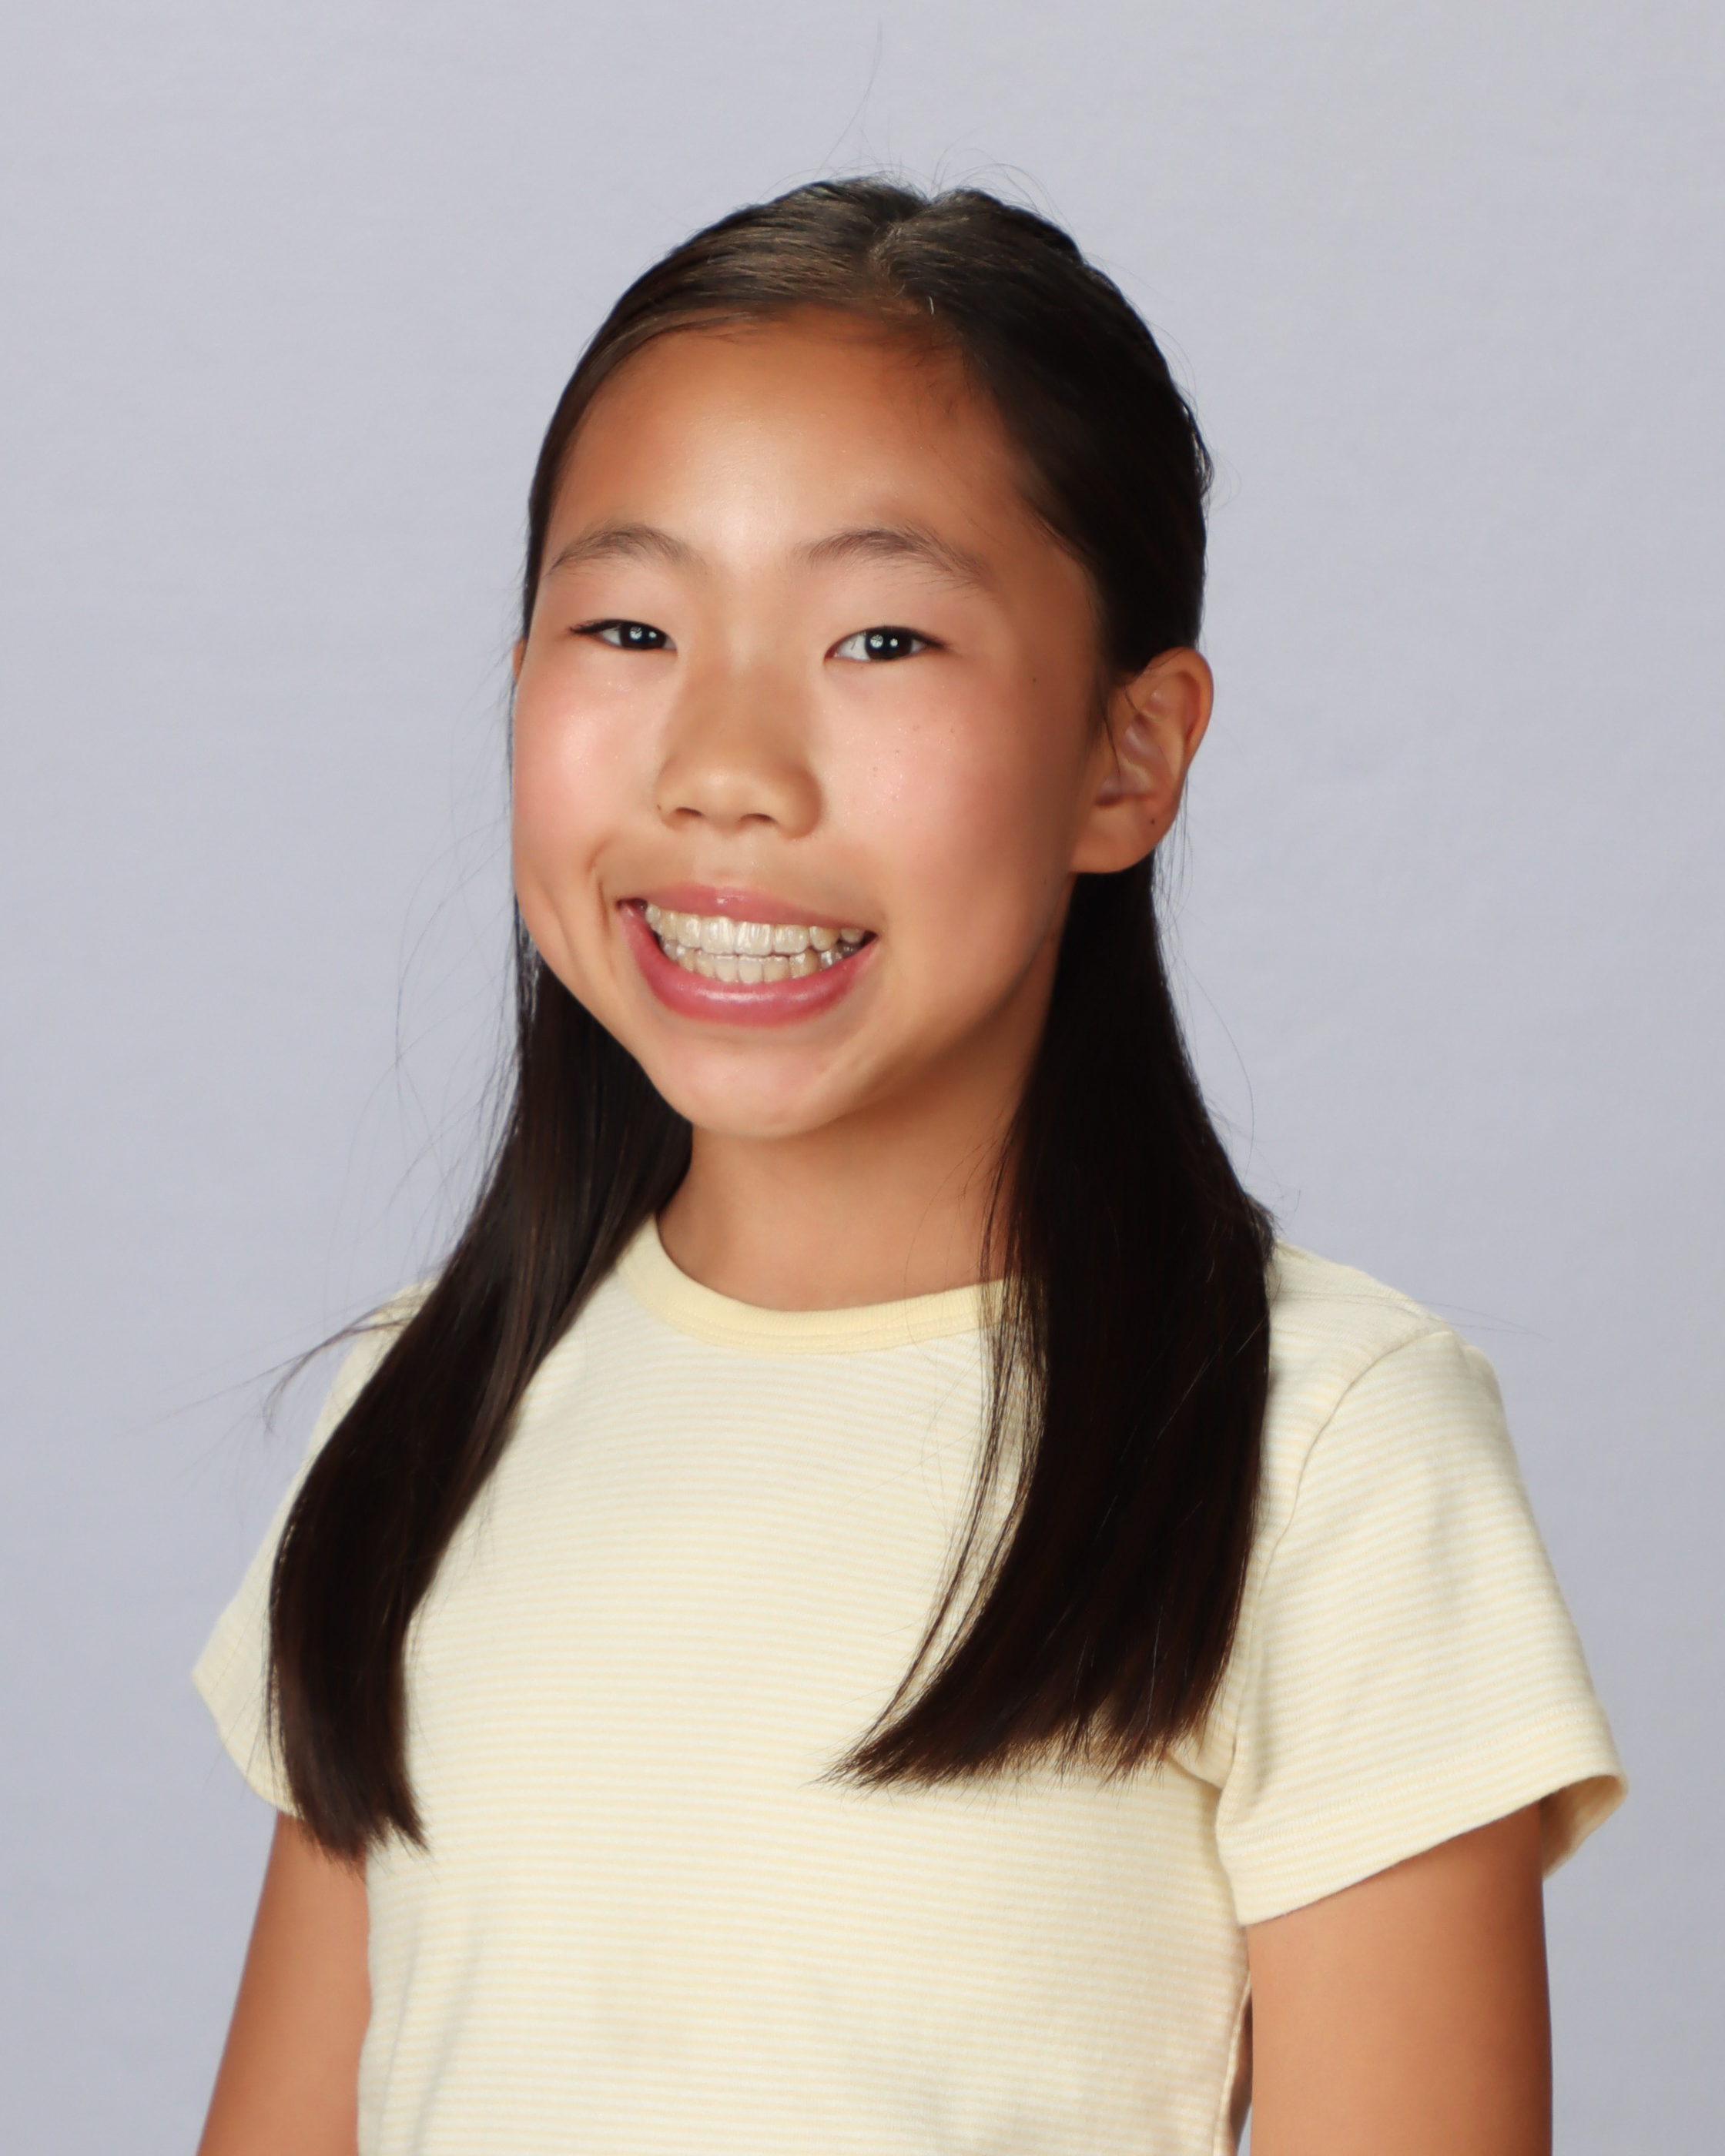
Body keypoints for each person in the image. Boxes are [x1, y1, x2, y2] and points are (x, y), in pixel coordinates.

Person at [192, 179, 1623, 2156]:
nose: (725, 765)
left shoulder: (1319, 1454)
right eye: (628, 626)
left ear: (1129, 753)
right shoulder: (423, 1406)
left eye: (880, 638)